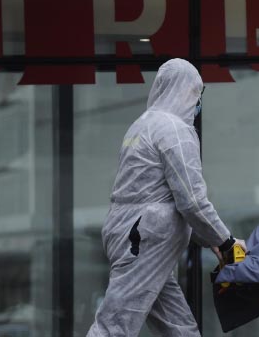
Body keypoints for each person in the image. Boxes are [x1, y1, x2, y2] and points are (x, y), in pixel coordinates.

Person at [87, 58, 244, 337]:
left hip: (130, 234)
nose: (197, 102)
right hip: (144, 240)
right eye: (197, 93)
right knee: (114, 326)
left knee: (178, 328)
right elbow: (191, 201)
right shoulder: (175, 131)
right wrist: (226, 241)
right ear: (186, 90)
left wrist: (210, 240)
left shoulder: (141, 126)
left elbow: (158, 195)